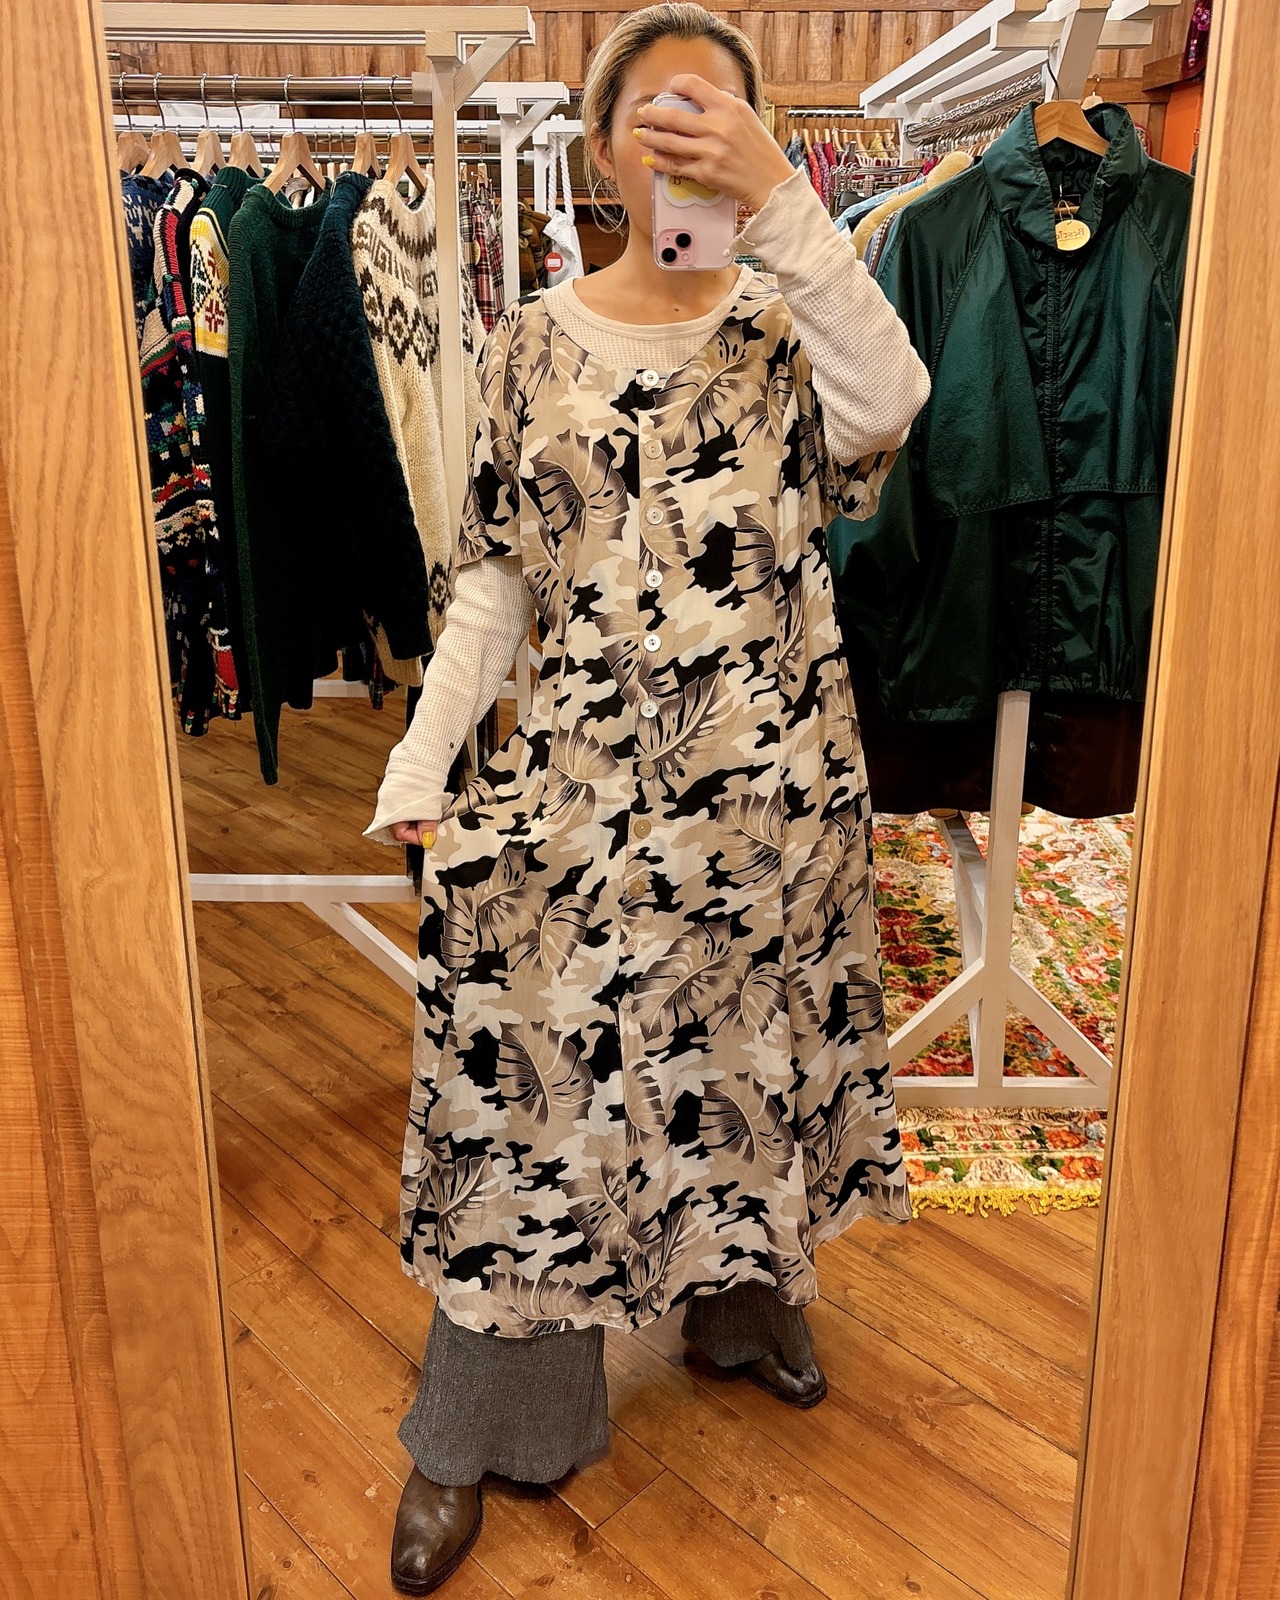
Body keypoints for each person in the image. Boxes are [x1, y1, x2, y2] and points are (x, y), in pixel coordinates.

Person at [365, 4, 931, 1590]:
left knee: (745, 1054)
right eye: (658, 113)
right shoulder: (531, 345)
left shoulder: (793, 320)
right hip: (572, 795)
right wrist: (423, 754)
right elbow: (496, 576)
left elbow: (891, 407)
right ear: (600, 146)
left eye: (721, 113)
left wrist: (784, 207)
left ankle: (742, 1308)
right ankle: (491, 1420)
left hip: (768, 801)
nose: (688, 136)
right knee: (523, 1094)